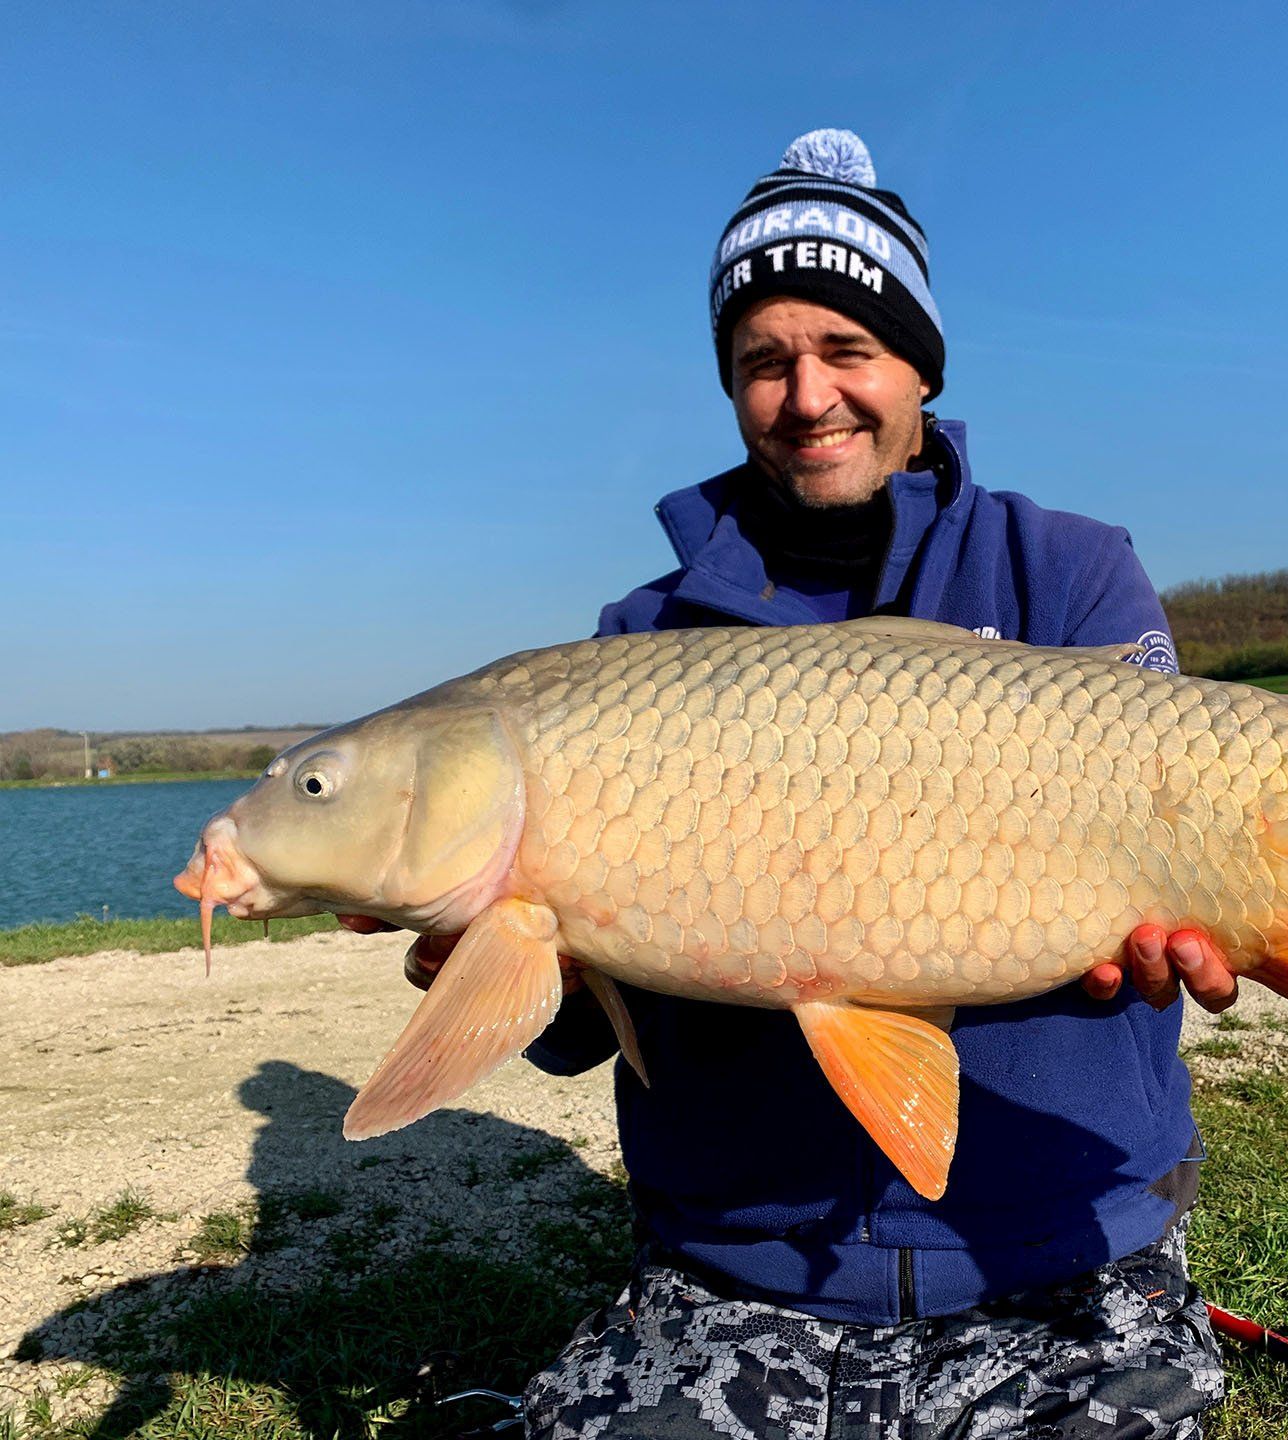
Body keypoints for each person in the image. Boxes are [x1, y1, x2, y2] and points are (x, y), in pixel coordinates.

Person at [357, 129, 1240, 1439]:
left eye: (849, 351)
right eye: (765, 361)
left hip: (1057, 1253)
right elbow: (583, 1031)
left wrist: (1199, 921)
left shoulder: (1068, 574)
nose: (809, 395)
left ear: (918, 370)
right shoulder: (637, 643)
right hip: (736, 1271)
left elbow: (1191, 847)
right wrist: (491, 956)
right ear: (729, 386)